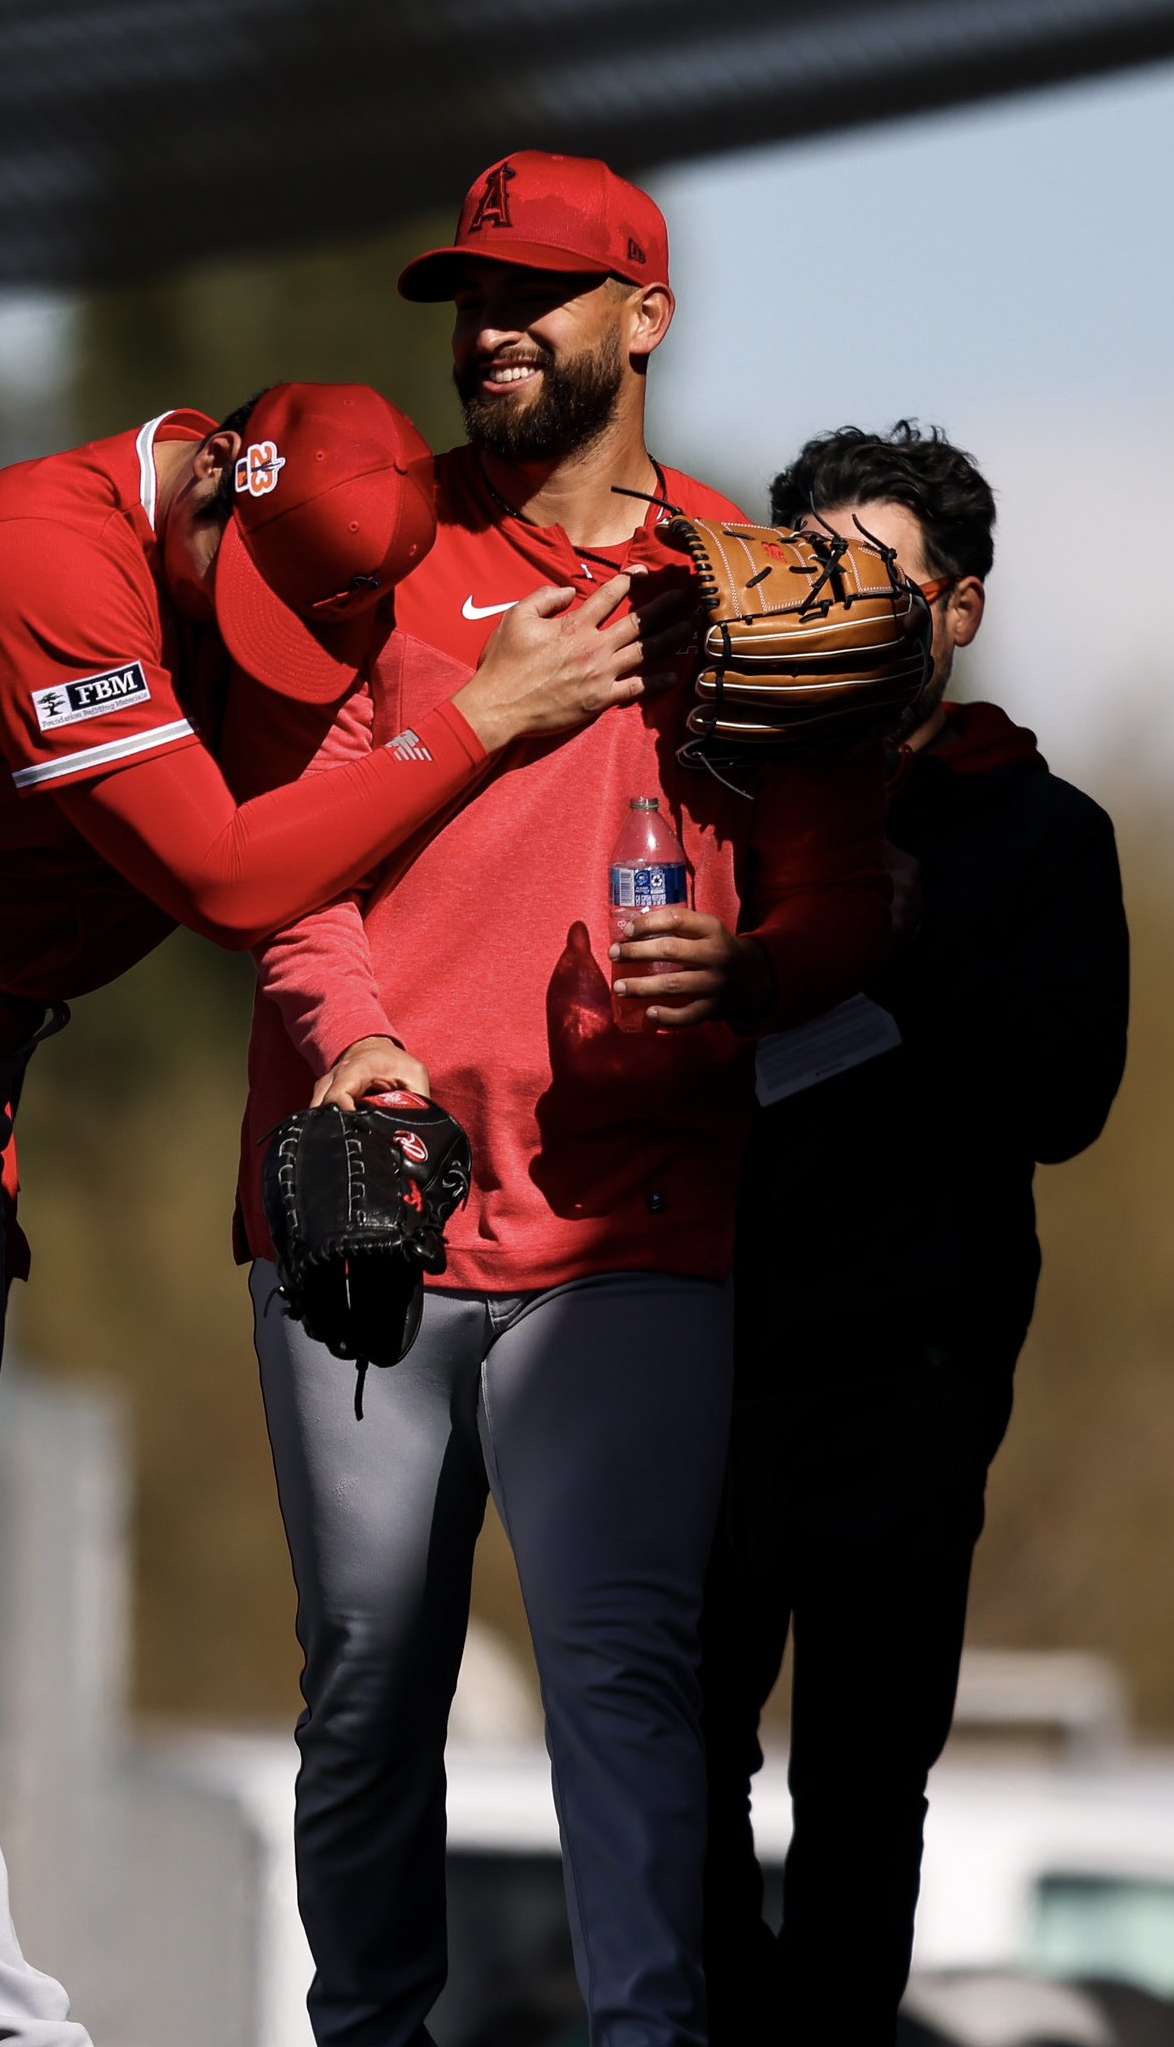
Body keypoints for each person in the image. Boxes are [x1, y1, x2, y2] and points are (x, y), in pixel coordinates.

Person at [0, 375, 678, 2047]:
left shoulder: (257, 577)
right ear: (198, 474)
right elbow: (234, 876)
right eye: (243, 586)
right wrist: (475, 716)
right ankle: (6, 2027)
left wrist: (364, 1027)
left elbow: (310, 856)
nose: (257, 644)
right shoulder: (43, 548)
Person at [226, 153, 892, 2047]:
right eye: (465, 294)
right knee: (365, 1674)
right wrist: (348, 1028)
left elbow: (840, 890)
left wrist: (761, 967)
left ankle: (647, 2032)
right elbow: (278, 860)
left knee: (621, 1669)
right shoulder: (364, 550)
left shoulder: (748, 586)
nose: (487, 328)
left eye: (531, 294)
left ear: (643, 318)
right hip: (367, 1208)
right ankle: (369, 2029)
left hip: (629, 1213)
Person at [696, 423, 1129, 2045]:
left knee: (865, 1783)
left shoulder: (1038, 836)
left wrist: (905, 931)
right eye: (803, 569)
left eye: (873, 577)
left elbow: (1064, 1091)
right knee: (669, 1750)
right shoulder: (703, 796)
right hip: (693, 1352)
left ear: (954, 612)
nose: (837, 605)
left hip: (908, 1383)